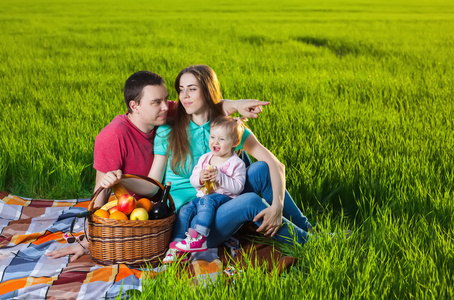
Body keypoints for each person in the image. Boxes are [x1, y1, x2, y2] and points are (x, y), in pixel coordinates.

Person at [46, 70, 269, 262]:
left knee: (249, 164)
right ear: (134, 106)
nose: (166, 107)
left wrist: (237, 105)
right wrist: (87, 243)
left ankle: (287, 224)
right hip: (143, 208)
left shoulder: (163, 116)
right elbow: (100, 194)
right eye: (156, 102)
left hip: (191, 197)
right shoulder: (112, 137)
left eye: (166, 99)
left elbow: (205, 102)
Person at [102, 65, 314, 263]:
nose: (184, 96)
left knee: (260, 169)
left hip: (225, 198)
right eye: (181, 90)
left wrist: (277, 207)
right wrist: (122, 179)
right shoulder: (168, 131)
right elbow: (152, 185)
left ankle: (308, 230)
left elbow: (275, 165)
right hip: (195, 220)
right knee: (250, 201)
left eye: (192, 89)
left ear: (207, 91)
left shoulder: (225, 129)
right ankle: (314, 245)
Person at [175, 116, 248, 252]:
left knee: (207, 200)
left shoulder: (236, 163)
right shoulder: (205, 159)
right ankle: (177, 243)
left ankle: (200, 236)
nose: (215, 142)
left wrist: (221, 177)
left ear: (235, 142)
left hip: (225, 200)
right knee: (184, 210)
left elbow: (238, 188)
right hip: (202, 199)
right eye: (213, 137)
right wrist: (200, 179)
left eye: (221, 139)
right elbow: (193, 180)